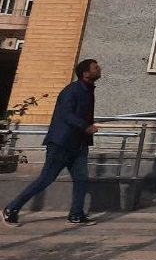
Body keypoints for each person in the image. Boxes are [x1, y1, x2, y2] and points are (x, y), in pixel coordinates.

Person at [3, 59, 102, 227]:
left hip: (79, 145)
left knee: (81, 179)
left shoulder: (88, 90)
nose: (99, 69)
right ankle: (12, 208)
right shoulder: (72, 90)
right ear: (85, 73)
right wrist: (86, 126)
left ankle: (76, 215)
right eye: (95, 67)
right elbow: (66, 115)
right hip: (61, 143)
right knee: (46, 179)